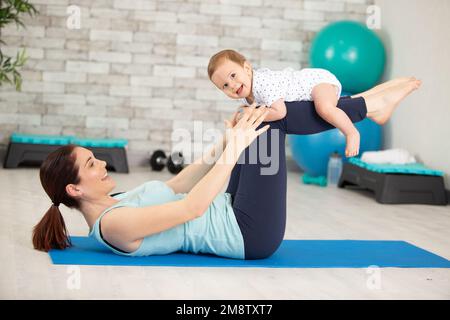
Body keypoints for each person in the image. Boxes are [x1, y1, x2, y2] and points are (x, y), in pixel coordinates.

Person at [32, 78, 421, 259]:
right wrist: (235, 149)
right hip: (248, 233)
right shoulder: (113, 225)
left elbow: (182, 183)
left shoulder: (116, 202)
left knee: (250, 115)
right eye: (90, 164)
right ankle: (368, 107)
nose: (100, 162)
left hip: (234, 209)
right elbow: (191, 209)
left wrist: (225, 141)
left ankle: (366, 104)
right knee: (270, 119)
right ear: (74, 190)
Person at [208, 49, 415, 158]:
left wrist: (252, 114)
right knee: (334, 107)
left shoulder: (261, 84)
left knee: (325, 109)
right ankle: (375, 105)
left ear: (247, 68)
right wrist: (246, 111)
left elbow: (279, 112)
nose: (232, 85)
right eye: (225, 85)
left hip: (315, 82)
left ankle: (352, 133)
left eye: (233, 76)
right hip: (306, 87)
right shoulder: (248, 93)